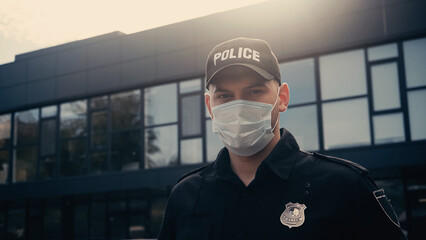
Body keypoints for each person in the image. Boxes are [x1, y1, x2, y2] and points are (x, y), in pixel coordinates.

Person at [157, 37, 406, 240]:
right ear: (209, 106)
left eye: (254, 91)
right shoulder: (186, 196)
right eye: (224, 96)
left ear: (282, 97)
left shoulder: (344, 186)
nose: (239, 105)